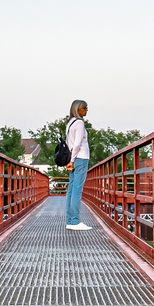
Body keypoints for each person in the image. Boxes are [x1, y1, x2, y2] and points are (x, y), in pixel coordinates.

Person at [63, 99, 91, 231]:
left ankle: (70, 220)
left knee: (71, 189)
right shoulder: (79, 123)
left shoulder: (70, 123)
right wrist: (72, 161)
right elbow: (78, 143)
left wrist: (71, 160)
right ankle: (75, 221)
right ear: (77, 109)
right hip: (80, 158)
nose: (86, 110)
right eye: (84, 108)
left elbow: (70, 143)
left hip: (74, 158)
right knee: (77, 190)